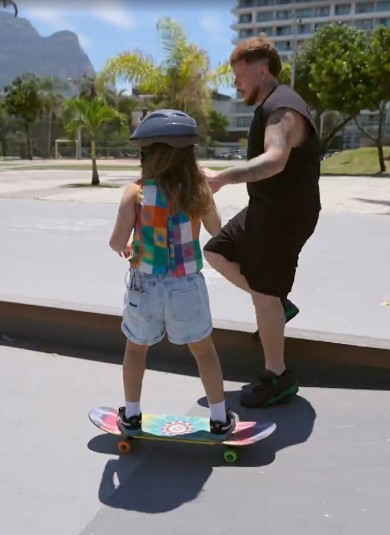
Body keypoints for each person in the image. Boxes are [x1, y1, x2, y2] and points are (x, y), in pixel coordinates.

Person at [201, 37, 321, 408]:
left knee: (265, 295)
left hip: (284, 217)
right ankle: (275, 305)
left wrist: (223, 178)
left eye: (239, 76)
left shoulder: (282, 109)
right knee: (218, 250)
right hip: (264, 211)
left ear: (261, 70)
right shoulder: (270, 105)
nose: (235, 84)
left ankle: (278, 376)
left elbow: (275, 159)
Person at [108, 108, 239, 438]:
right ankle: (220, 417)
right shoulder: (197, 191)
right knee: (204, 351)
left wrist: (127, 248)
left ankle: (132, 415)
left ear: (147, 153)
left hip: (144, 286)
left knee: (136, 349)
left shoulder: (134, 193)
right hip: (186, 284)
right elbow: (217, 230)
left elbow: (116, 242)